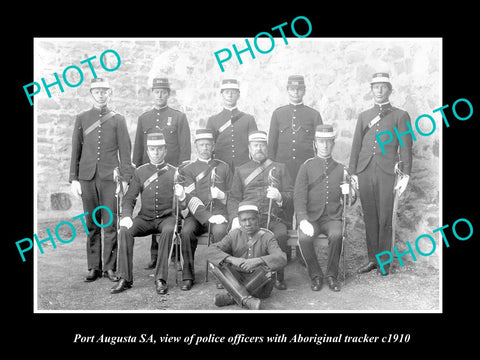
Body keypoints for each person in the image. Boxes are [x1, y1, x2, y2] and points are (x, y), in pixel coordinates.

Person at [69, 78, 133, 283]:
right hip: (86, 178)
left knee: (110, 223)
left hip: (109, 179)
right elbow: (75, 150)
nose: (101, 94)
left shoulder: (118, 119)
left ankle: (109, 267)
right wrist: (74, 179)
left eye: (104, 91)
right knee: (92, 224)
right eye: (97, 91)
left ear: (110, 93)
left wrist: (124, 179)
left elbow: (125, 151)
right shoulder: (82, 118)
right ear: (91, 94)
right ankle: (93, 267)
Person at [348, 72, 412, 276]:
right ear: (371, 90)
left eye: (384, 87)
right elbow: (356, 145)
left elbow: (406, 146)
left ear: (390, 90)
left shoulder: (400, 115)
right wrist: (353, 173)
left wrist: (406, 175)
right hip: (365, 171)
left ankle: (384, 262)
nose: (379, 90)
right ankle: (372, 259)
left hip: (387, 172)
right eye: (376, 87)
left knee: (385, 218)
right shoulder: (364, 116)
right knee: (370, 217)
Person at [132, 77, 191, 270]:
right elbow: (139, 150)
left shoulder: (178, 117)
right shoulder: (144, 118)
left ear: (168, 94)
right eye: (156, 91)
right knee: (152, 210)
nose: (159, 95)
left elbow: (185, 150)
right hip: (150, 173)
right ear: (152, 93)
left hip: (170, 174)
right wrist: (140, 175)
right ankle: (155, 255)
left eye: (163, 91)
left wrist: (180, 174)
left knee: (170, 214)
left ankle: (172, 254)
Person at [110, 132, 180, 295]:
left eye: (159, 149)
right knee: (125, 231)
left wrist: (181, 196)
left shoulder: (174, 172)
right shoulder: (140, 172)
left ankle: (160, 279)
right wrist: (126, 215)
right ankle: (125, 278)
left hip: (166, 218)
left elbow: (182, 201)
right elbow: (129, 198)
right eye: (152, 149)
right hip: (145, 218)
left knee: (169, 230)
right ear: (148, 151)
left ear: (165, 150)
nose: (156, 152)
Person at [228, 130, 293, 290]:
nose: (259, 148)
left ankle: (278, 276)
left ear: (267, 147)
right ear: (249, 148)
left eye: (262, 145)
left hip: (274, 217)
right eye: (255, 145)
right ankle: (240, 275)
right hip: (249, 220)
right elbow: (234, 198)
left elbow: (292, 196)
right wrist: (235, 217)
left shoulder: (280, 168)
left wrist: (280, 197)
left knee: (281, 234)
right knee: (239, 236)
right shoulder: (241, 170)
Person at [294, 124, 354, 292]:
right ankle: (316, 275)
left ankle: (331, 275)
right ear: (315, 143)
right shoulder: (306, 166)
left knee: (337, 234)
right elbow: (299, 196)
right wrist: (302, 218)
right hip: (311, 217)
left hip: (332, 217)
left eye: (328, 142)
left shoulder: (341, 169)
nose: (325, 145)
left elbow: (350, 202)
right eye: (321, 141)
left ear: (333, 143)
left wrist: (347, 193)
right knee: (304, 238)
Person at [174, 129, 232, 290]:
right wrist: (207, 217)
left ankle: (221, 274)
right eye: (201, 145)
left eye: (208, 144)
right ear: (196, 147)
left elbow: (233, 194)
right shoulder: (188, 169)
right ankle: (187, 274)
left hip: (219, 213)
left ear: (213, 146)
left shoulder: (224, 167)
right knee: (186, 232)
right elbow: (190, 197)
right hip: (196, 215)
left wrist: (222, 196)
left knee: (221, 232)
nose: (205, 148)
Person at [206, 201, 287, 310]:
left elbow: (281, 258)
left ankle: (232, 297)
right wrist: (232, 259)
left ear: (257, 219)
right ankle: (247, 300)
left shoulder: (267, 237)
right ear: (239, 221)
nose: (248, 224)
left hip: (261, 286)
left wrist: (258, 260)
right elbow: (210, 251)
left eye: (251, 219)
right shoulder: (234, 234)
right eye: (244, 220)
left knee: (267, 269)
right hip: (238, 280)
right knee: (219, 265)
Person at [268, 75, 323, 182]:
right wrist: (272, 167)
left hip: (306, 166)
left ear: (304, 91)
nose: (296, 92)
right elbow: (272, 145)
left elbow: (320, 144)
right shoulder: (278, 114)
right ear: (287, 90)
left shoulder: (313, 115)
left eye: (299, 89)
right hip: (282, 167)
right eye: (292, 89)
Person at [206, 78, 258, 171]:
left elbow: (255, 144)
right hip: (220, 167)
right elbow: (209, 145)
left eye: (233, 92)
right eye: (226, 92)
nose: (230, 95)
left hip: (244, 166)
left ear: (238, 95)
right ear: (222, 94)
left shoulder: (248, 119)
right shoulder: (213, 120)